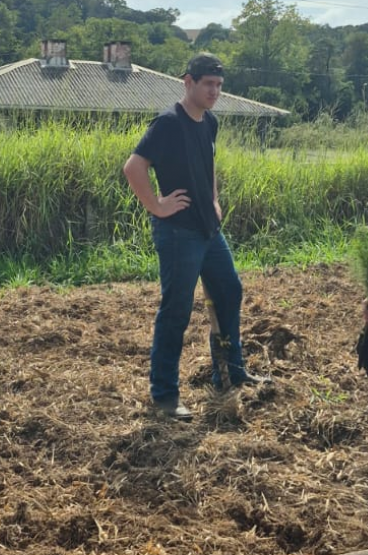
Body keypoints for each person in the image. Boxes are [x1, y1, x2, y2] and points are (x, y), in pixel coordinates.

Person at [122, 52, 269, 421]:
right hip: (178, 233)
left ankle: (231, 371)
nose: (215, 91)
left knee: (230, 291)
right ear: (188, 82)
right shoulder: (169, 123)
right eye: (208, 85)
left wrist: (215, 199)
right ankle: (165, 396)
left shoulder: (210, 122)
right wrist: (156, 205)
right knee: (176, 310)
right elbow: (134, 166)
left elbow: (210, 164)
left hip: (207, 229)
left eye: (219, 85)